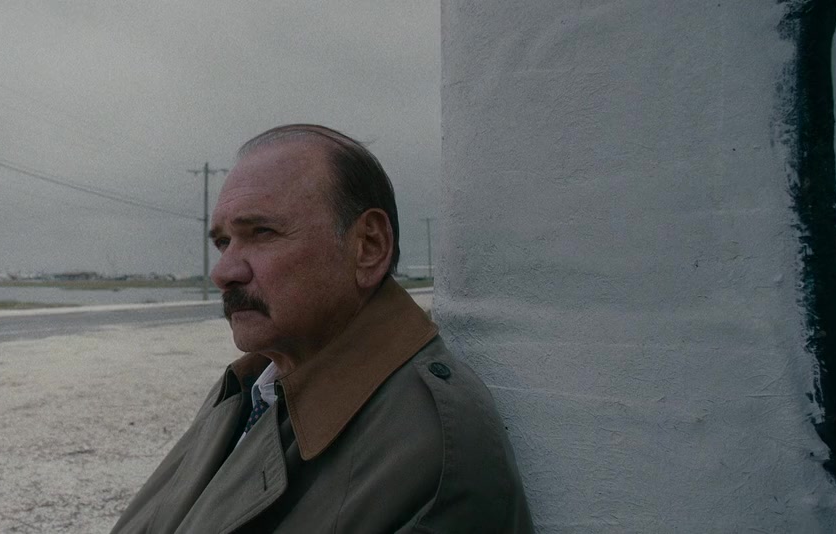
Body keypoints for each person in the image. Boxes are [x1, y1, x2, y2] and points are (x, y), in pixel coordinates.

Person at [112, 124, 533, 533]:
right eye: (224, 242)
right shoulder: (251, 385)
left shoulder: (429, 450)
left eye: (261, 232)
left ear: (368, 247)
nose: (223, 272)